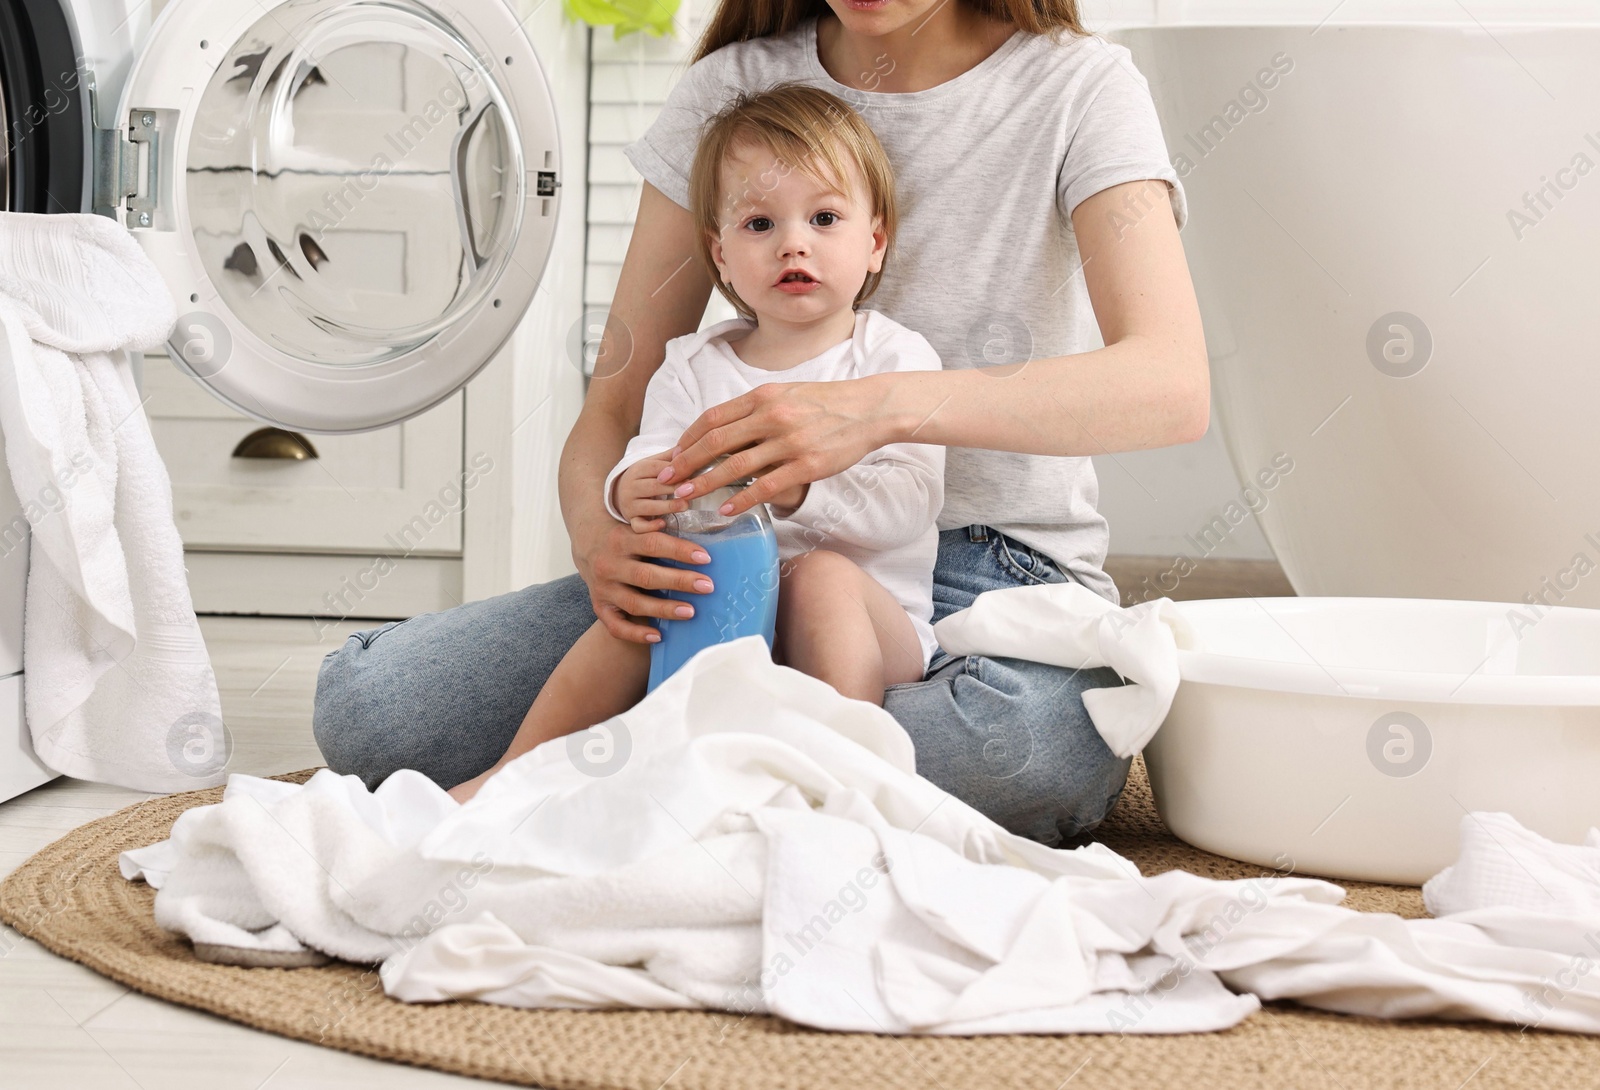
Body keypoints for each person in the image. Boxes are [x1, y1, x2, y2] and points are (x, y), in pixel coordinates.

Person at [312, 0, 1208, 848]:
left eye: (826, 219)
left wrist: (877, 411)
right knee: (372, 711)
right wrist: (602, 537)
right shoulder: (731, 93)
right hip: (731, 562)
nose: (795, 242)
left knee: (1023, 758)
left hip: (992, 572)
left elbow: (1171, 385)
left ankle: (687, 754)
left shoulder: (1079, 87)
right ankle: (762, 761)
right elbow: (621, 407)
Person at [445, 83, 944, 803]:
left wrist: (807, 485)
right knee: (645, 604)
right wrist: (628, 487)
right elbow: (646, 452)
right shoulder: (694, 363)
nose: (793, 242)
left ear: (874, 243)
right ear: (720, 255)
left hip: (869, 624)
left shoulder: (895, 357)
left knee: (822, 579)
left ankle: (843, 780)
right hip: (730, 608)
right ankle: (510, 780)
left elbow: (913, 498)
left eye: (825, 217)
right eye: (759, 224)